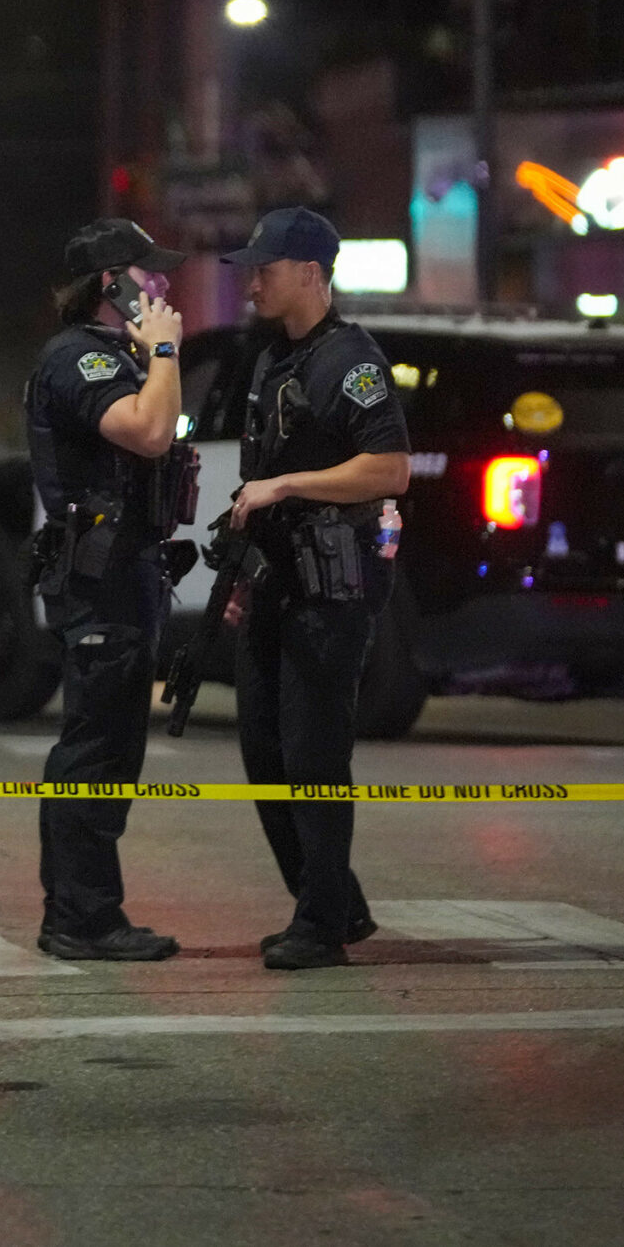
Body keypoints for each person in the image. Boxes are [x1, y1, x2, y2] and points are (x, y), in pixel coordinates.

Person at [220, 207, 410, 971]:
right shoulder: (274, 360)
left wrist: (286, 485)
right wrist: (241, 577)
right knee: (263, 745)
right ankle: (332, 899)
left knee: (314, 755)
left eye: (265, 267)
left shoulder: (351, 362)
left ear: (310, 272)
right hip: (277, 582)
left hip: (332, 588)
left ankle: (323, 922)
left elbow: (391, 468)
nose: (252, 280)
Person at [23, 219, 195, 960]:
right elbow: (149, 432)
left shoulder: (116, 356)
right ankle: (80, 917)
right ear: (110, 284)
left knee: (113, 745)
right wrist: (163, 348)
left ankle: (84, 909)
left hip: (126, 574)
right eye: (145, 274)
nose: (160, 285)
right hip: (98, 581)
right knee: (94, 747)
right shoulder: (78, 359)